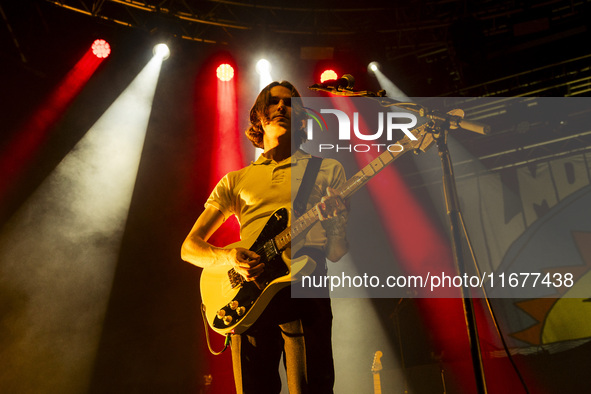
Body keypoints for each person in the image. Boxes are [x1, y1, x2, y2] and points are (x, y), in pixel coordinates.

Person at [181, 80, 349, 394]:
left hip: (305, 288)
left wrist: (337, 222)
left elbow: (337, 252)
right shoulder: (236, 180)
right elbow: (190, 248)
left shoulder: (327, 169)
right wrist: (229, 256)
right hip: (247, 294)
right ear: (259, 116)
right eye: (274, 102)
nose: (283, 107)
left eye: (291, 103)